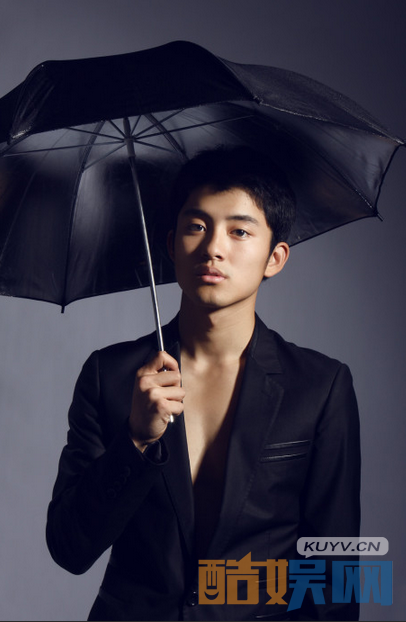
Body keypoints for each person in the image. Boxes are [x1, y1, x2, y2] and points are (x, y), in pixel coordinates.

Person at [46, 146, 361, 621]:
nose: (213, 247)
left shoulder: (320, 385)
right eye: (196, 226)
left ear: (275, 258)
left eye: (239, 231)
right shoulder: (109, 375)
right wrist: (136, 440)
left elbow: (335, 569)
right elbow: (69, 548)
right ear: (171, 245)